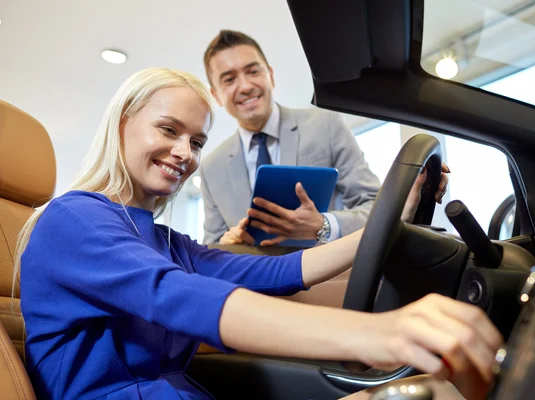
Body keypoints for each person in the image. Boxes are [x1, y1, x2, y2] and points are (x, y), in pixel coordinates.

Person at [16, 67, 500, 400]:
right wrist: (377, 334)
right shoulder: (72, 219)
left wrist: (391, 222)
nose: (184, 152)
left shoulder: (166, 242)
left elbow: (280, 270)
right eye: (168, 130)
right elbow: (177, 296)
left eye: (197, 141)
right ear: (122, 124)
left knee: (432, 393)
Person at [200, 30, 449, 246]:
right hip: (254, 291)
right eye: (229, 79)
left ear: (271, 75)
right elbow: (211, 247)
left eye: (253, 71)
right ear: (217, 95)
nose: (245, 86)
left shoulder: (326, 125)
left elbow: (374, 203)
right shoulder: (211, 167)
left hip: (328, 281)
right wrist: (228, 245)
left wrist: (324, 225)